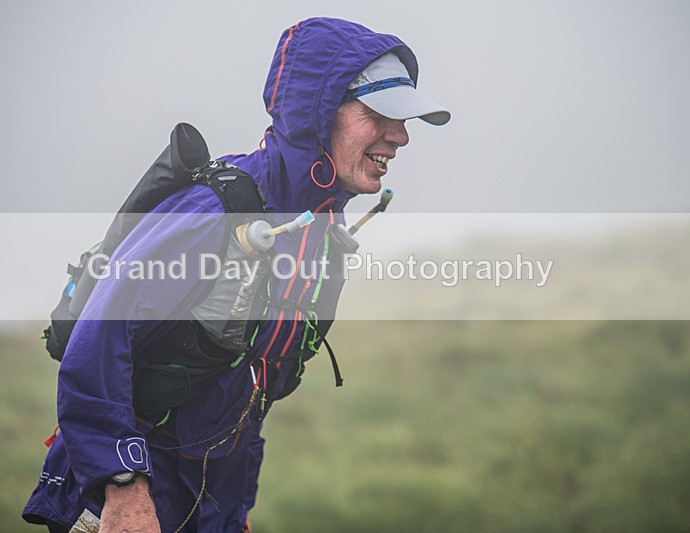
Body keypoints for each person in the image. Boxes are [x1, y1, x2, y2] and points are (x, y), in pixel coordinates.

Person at [23, 17, 449, 533]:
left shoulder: (320, 228)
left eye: (403, 120)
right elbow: (95, 345)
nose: (400, 136)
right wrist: (124, 488)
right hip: (125, 501)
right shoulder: (217, 211)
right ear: (318, 114)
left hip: (209, 502)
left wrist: (229, 513)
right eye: (380, 114)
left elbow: (252, 381)